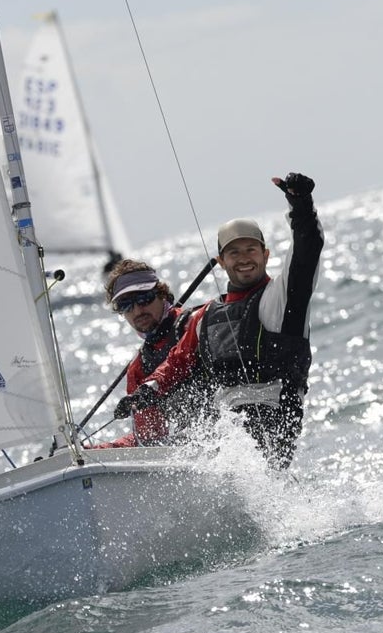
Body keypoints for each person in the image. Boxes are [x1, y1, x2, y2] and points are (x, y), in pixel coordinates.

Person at [114, 172, 324, 469]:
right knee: (199, 450)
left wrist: (301, 205)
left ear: (265, 254)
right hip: (228, 428)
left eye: (251, 249)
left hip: (273, 417)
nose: (243, 258)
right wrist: (148, 390)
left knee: (229, 457)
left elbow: (307, 251)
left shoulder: (282, 298)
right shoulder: (206, 317)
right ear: (221, 262)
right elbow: (177, 361)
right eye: (233, 252)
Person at [91, 260, 193, 448]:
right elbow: (149, 438)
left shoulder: (193, 326)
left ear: (162, 294)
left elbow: (179, 359)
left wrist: (151, 387)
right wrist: (100, 450)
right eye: (126, 305)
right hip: (188, 451)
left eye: (144, 299)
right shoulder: (138, 368)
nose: (138, 311)